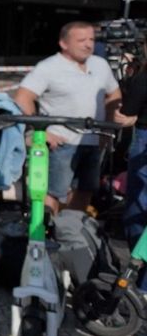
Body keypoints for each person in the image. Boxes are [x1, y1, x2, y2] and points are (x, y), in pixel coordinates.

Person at [14, 21, 122, 215]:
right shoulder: (48, 67)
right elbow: (23, 97)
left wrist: (107, 128)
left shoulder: (100, 64)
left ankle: (73, 234)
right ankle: (47, 234)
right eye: (81, 40)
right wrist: (41, 131)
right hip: (61, 142)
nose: (88, 45)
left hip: (92, 142)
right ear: (64, 44)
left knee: (85, 190)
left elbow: (114, 95)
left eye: (91, 39)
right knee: (53, 193)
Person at [116, 40, 146, 291]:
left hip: (145, 141)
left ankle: (142, 281)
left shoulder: (142, 77)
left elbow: (127, 115)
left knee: (138, 209)